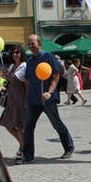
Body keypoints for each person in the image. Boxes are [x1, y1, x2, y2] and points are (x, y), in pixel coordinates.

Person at [18, 34, 75, 164]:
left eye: (33, 43)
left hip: (48, 99)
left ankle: (69, 147)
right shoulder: (30, 61)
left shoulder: (48, 57)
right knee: (28, 127)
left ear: (39, 43)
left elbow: (56, 76)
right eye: (29, 44)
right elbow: (28, 81)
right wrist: (26, 100)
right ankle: (28, 155)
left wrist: (49, 91)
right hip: (33, 99)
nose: (31, 46)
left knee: (56, 124)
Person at [0, 45, 28, 160]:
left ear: (21, 54)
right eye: (13, 52)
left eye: (17, 52)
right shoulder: (11, 66)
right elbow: (9, 80)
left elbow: (25, 82)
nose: (15, 54)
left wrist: (26, 99)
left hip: (20, 95)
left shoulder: (24, 66)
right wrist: (6, 77)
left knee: (19, 125)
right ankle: (23, 144)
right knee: (8, 124)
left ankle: (22, 148)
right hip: (11, 96)